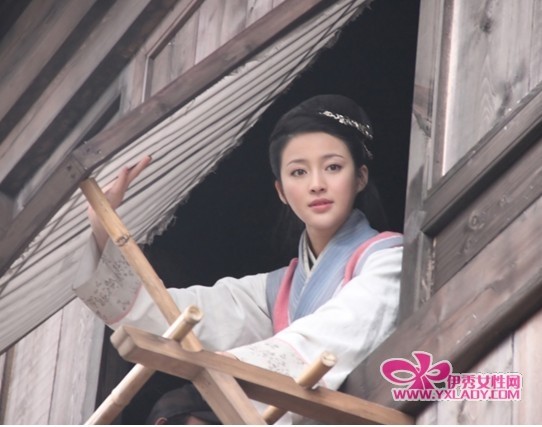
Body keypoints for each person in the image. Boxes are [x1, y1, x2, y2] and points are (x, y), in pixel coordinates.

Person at [74, 94, 403, 424]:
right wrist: (103, 224)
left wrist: (227, 367)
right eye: (299, 172)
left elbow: (329, 336)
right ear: (281, 191)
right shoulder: (277, 290)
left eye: (333, 167)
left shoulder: (388, 260)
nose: (316, 184)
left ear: (360, 177)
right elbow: (171, 316)